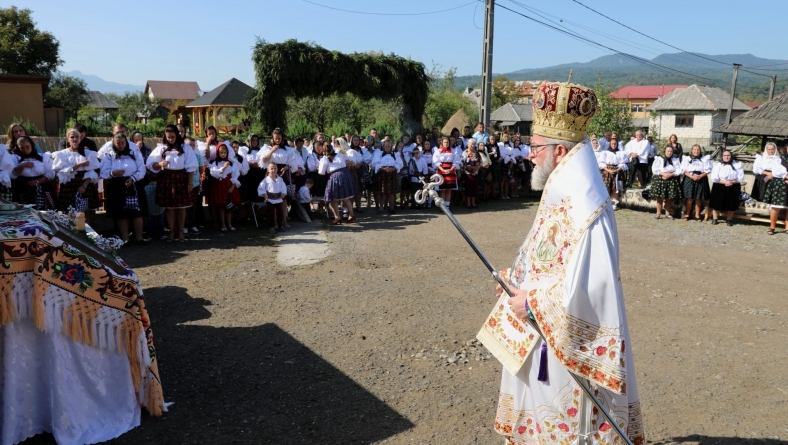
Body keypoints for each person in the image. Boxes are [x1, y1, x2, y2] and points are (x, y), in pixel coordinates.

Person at [492, 81, 643, 445]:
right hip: (542, 335)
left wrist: (531, 302)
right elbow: (548, 259)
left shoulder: (586, 206)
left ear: (559, 150)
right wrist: (515, 278)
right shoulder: (562, 192)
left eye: (534, 147)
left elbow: (593, 286)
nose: (529, 155)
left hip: (566, 348)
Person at [146, 124, 198, 243]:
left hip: (181, 178)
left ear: (177, 135)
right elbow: (151, 164)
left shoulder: (185, 148)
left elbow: (191, 166)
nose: (170, 139)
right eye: (168, 137)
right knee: (169, 208)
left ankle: (180, 232)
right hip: (167, 179)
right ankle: (171, 232)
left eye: (172, 137)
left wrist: (190, 183)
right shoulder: (161, 148)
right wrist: (159, 164)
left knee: (181, 207)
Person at [99, 133, 147, 244]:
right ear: (114, 144)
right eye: (118, 143)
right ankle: (125, 239)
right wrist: (113, 173)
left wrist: (133, 178)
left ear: (126, 142)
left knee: (137, 212)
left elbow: (141, 169)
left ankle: (139, 238)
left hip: (134, 182)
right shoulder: (108, 153)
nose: (121, 146)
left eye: (123, 143)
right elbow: (104, 172)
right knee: (121, 213)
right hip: (116, 184)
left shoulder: (134, 151)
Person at [51, 128, 101, 214]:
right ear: (68, 139)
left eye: (77, 137)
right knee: (69, 214)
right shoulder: (63, 154)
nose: (74, 139)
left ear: (80, 138)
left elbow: (93, 172)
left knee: (86, 214)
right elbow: (63, 172)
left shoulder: (88, 153)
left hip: (85, 184)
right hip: (69, 185)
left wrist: (84, 186)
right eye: (72, 137)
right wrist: (79, 165)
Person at [1, 135, 55, 207]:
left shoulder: (43, 157)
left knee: (43, 210)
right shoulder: (14, 157)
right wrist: (22, 166)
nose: (25, 150)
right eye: (22, 148)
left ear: (31, 145)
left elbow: (51, 173)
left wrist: (37, 181)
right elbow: (12, 175)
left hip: (41, 186)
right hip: (22, 188)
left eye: (27, 147)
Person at [319, 141, 357, 225]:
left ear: (324, 151)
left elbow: (321, 172)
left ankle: (337, 217)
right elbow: (349, 161)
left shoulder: (324, 159)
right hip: (345, 174)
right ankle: (351, 216)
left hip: (335, 176)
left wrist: (319, 168)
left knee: (333, 199)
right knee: (345, 197)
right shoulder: (339, 155)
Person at [208, 143, 241, 232]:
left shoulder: (232, 163)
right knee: (221, 206)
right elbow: (214, 174)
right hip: (218, 186)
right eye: (221, 153)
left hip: (228, 186)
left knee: (228, 206)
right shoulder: (215, 163)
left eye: (225, 152)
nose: (223, 154)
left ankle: (229, 224)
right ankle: (222, 225)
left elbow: (235, 175)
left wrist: (232, 187)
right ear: (218, 153)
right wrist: (223, 168)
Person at [757, 144, 788, 234]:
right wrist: (786, 177)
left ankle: (787, 228)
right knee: (776, 207)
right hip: (780, 184)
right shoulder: (778, 159)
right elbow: (776, 171)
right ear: (786, 149)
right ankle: (772, 227)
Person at [709, 150, 745, 227]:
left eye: (728, 155)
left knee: (731, 203)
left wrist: (732, 182)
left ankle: (729, 220)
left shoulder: (737, 165)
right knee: (716, 202)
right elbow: (714, 177)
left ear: (731, 156)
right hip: (720, 185)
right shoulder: (718, 165)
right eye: (725, 155)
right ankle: (715, 218)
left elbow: (740, 177)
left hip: (733, 185)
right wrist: (725, 182)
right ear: (722, 156)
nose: (727, 157)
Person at [650, 145, 683, 219]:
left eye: (671, 151)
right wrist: (663, 174)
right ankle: (658, 213)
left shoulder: (675, 160)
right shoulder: (659, 159)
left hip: (671, 179)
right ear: (665, 151)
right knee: (660, 197)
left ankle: (667, 214)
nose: (669, 153)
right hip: (660, 179)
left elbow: (679, 170)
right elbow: (654, 169)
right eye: (668, 151)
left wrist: (671, 174)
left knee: (669, 198)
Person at [680, 144, 712, 221]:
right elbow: (683, 170)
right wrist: (692, 177)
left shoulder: (704, 159)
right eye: (695, 149)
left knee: (698, 198)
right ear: (692, 150)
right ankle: (687, 214)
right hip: (689, 178)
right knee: (689, 198)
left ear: (700, 151)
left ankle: (697, 215)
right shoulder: (686, 158)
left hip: (701, 178)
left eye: (698, 150)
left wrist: (700, 176)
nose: (696, 151)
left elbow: (708, 170)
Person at [596, 136, 629, 210]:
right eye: (612, 144)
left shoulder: (620, 153)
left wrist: (619, 168)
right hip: (607, 171)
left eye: (615, 144)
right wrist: (608, 170)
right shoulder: (605, 152)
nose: (614, 145)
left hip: (617, 171)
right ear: (610, 144)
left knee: (615, 188)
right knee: (607, 187)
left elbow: (624, 163)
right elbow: (601, 163)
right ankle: (606, 204)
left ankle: (614, 205)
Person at [372, 140, 401, 213]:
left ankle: (392, 208)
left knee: (392, 193)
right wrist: (384, 168)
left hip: (392, 174)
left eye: (389, 146)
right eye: (386, 146)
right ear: (383, 146)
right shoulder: (379, 153)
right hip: (383, 174)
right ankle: (381, 209)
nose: (387, 147)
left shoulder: (395, 154)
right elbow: (375, 164)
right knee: (383, 193)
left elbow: (399, 164)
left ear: (391, 146)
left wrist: (393, 168)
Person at [258, 163, 288, 233]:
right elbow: (261, 188)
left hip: (278, 199)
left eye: (275, 168)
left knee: (280, 213)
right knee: (271, 214)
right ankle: (272, 227)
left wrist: (283, 193)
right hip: (270, 199)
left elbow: (283, 187)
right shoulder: (266, 180)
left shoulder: (280, 179)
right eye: (271, 168)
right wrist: (264, 194)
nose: (273, 170)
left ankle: (280, 226)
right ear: (268, 170)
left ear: (277, 169)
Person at [183, 136, 204, 235]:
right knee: (185, 206)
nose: (191, 147)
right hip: (184, 185)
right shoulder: (182, 157)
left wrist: (198, 182)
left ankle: (192, 225)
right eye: (189, 145)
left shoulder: (198, 157)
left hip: (195, 184)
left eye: (193, 145)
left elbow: (201, 170)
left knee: (193, 206)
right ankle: (184, 226)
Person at [433, 136, 459, 207]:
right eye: (445, 142)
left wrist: (451, 169)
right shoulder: (438, 151)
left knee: (449, 189)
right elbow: (436, 162)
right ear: (442, 142)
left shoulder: (453, 151)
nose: (446, 143)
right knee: (443, 189)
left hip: (451, 172)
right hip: (442, 171)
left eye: (447, 142)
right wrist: (443, 170)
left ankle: (447, 205)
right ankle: (443, 206)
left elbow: (456, 161)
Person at [462, 139, 481, 209]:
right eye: (471, 144)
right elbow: (463, 164)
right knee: (469, 188)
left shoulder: (477, 152)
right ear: (468, 145)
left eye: (474, 144)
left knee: (474, 188)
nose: (473, 145)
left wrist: (477, 167)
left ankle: (473, 202)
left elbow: (480, 161)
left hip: (475, 172)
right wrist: (471, 167)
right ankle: (468, 203)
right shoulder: (465, 153)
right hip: (468, 173)